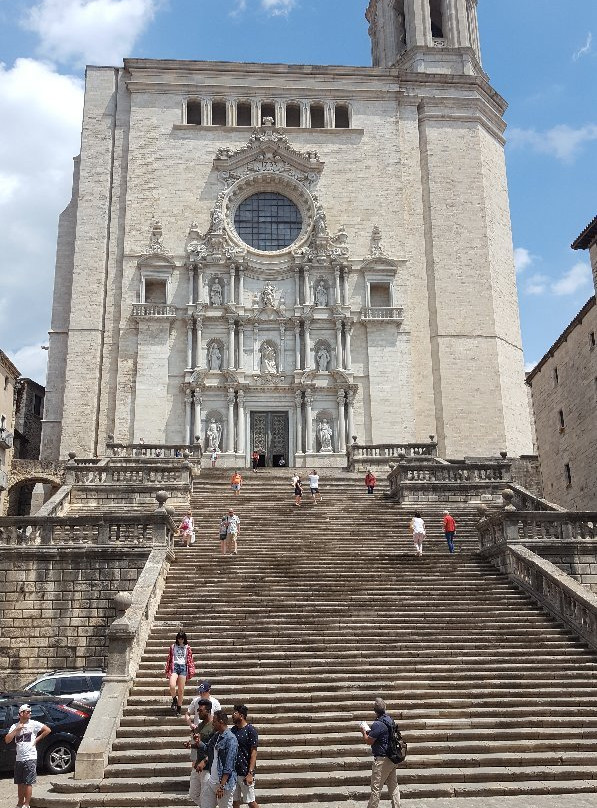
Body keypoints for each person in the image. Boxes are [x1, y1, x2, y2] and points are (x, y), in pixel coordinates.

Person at [4, 704, 51, 808]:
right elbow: (7, 740)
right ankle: (20, 803)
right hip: (19, 758)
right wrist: (17, 730)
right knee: (19, 782)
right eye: (27, 712)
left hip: (30, 757)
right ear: (21, 713)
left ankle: (27, 804)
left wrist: (37, 740)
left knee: (28, 782)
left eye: (30, 711)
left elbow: (47, 730)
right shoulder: (14, 726)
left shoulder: (33, 723)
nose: (30, 713)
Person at [360, 697, 401, 808]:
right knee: (393, 786)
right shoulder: (390, 720)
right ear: (385, 708)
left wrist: (364, 731)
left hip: (382, 760)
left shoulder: (378, 724)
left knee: (376, 788)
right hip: (392, 758)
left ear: (375, 710)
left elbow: (369, 741)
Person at [199, 710, 238, 808]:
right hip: (212, 782)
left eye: (215, 721)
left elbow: (229, 765)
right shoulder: (217, 736)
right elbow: (208, 749)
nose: (212, 723)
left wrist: (222, 786)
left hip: (224, 784)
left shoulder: (231, 739)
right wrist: (198, 743)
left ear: (221, 722)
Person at [231, 705, 259, 808]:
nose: (232, 715)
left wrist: (250, 773)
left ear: (241, 716)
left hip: (245, 771)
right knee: (235, 802)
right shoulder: (233, 730)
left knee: (251, 802)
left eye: (235, 713)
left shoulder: (250, 730)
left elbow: (253, 753)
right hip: (234, 772)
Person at [186, 699, 214, 806]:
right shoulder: (201, 725)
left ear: (208, 711)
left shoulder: (214, 726)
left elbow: (214, 748)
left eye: (200, 710)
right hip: (197, 764)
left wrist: (205, 761)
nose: (198, 712)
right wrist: (191, 745)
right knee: (193, 793)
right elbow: (199, 744)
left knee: (206, 796)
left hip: (208, 767)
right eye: (197, 710)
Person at [165, 631, 196, 715]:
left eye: (182, 639)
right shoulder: (173, 646)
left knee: (181, 690)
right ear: (177, 638)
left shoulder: (187, 647)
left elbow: (190, 660)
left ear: (184, 639)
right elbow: (169, 658)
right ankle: (174, 700)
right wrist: (167, 669)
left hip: (183, 667)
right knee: (172, 685)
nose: (180, 640)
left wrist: (191, 669)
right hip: (174, 666)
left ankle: (179, 709)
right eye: (179, 638)